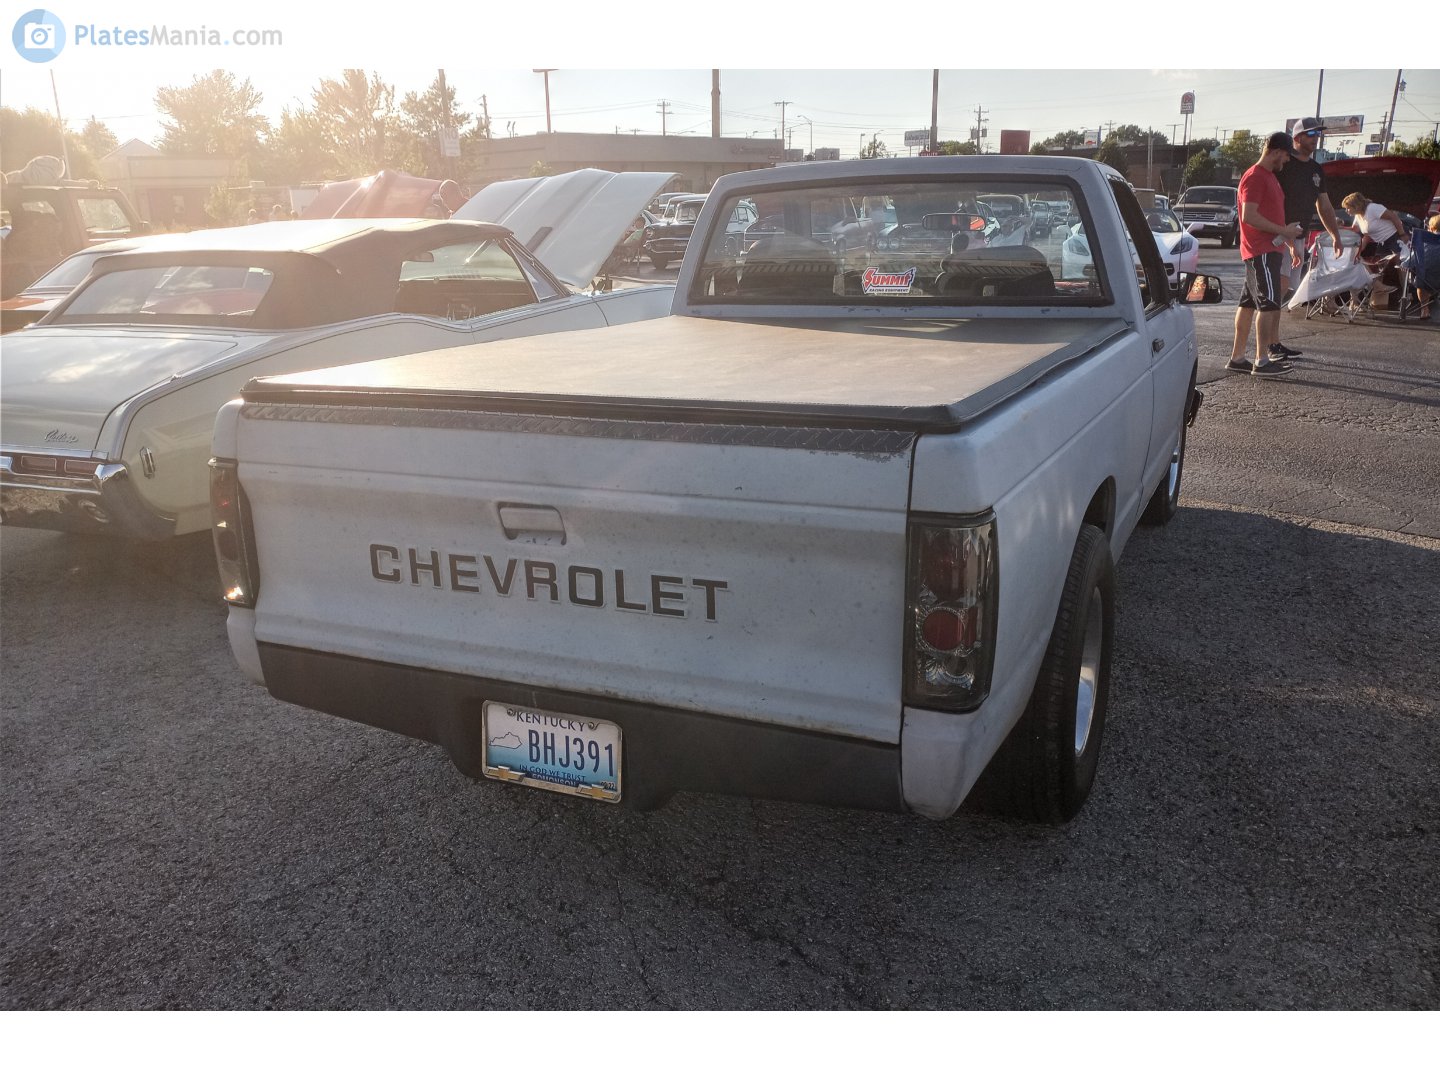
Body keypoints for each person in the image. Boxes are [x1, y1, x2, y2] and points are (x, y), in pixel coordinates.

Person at [1227, 132, 1304, 377]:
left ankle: (1238, 357)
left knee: (1248, 303)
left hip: (1266, 249)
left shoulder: (1268, 177)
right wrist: (1284, 231)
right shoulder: (1255, 177)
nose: (1288, 160)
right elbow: (1249, 216)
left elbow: (1269, 215)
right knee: (1269, 304)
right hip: (1261, 250)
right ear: (1275, 151)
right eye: (1286, 155)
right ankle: (1261, 361)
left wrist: (1288, 240)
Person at [1275, 118, 1344, 357]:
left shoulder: (1316, 170)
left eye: (1318, 133)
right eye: (1311, 133)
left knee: (1286, 290)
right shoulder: (1283, 163)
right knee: (1278, 289)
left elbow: (1324, 206)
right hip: (1280, 234)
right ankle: (1270, 345)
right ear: (1297, 137)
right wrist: (1283, 234)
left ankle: (1273, 341)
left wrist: (1335, 235)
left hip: (1300, 236)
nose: (1316, 137)